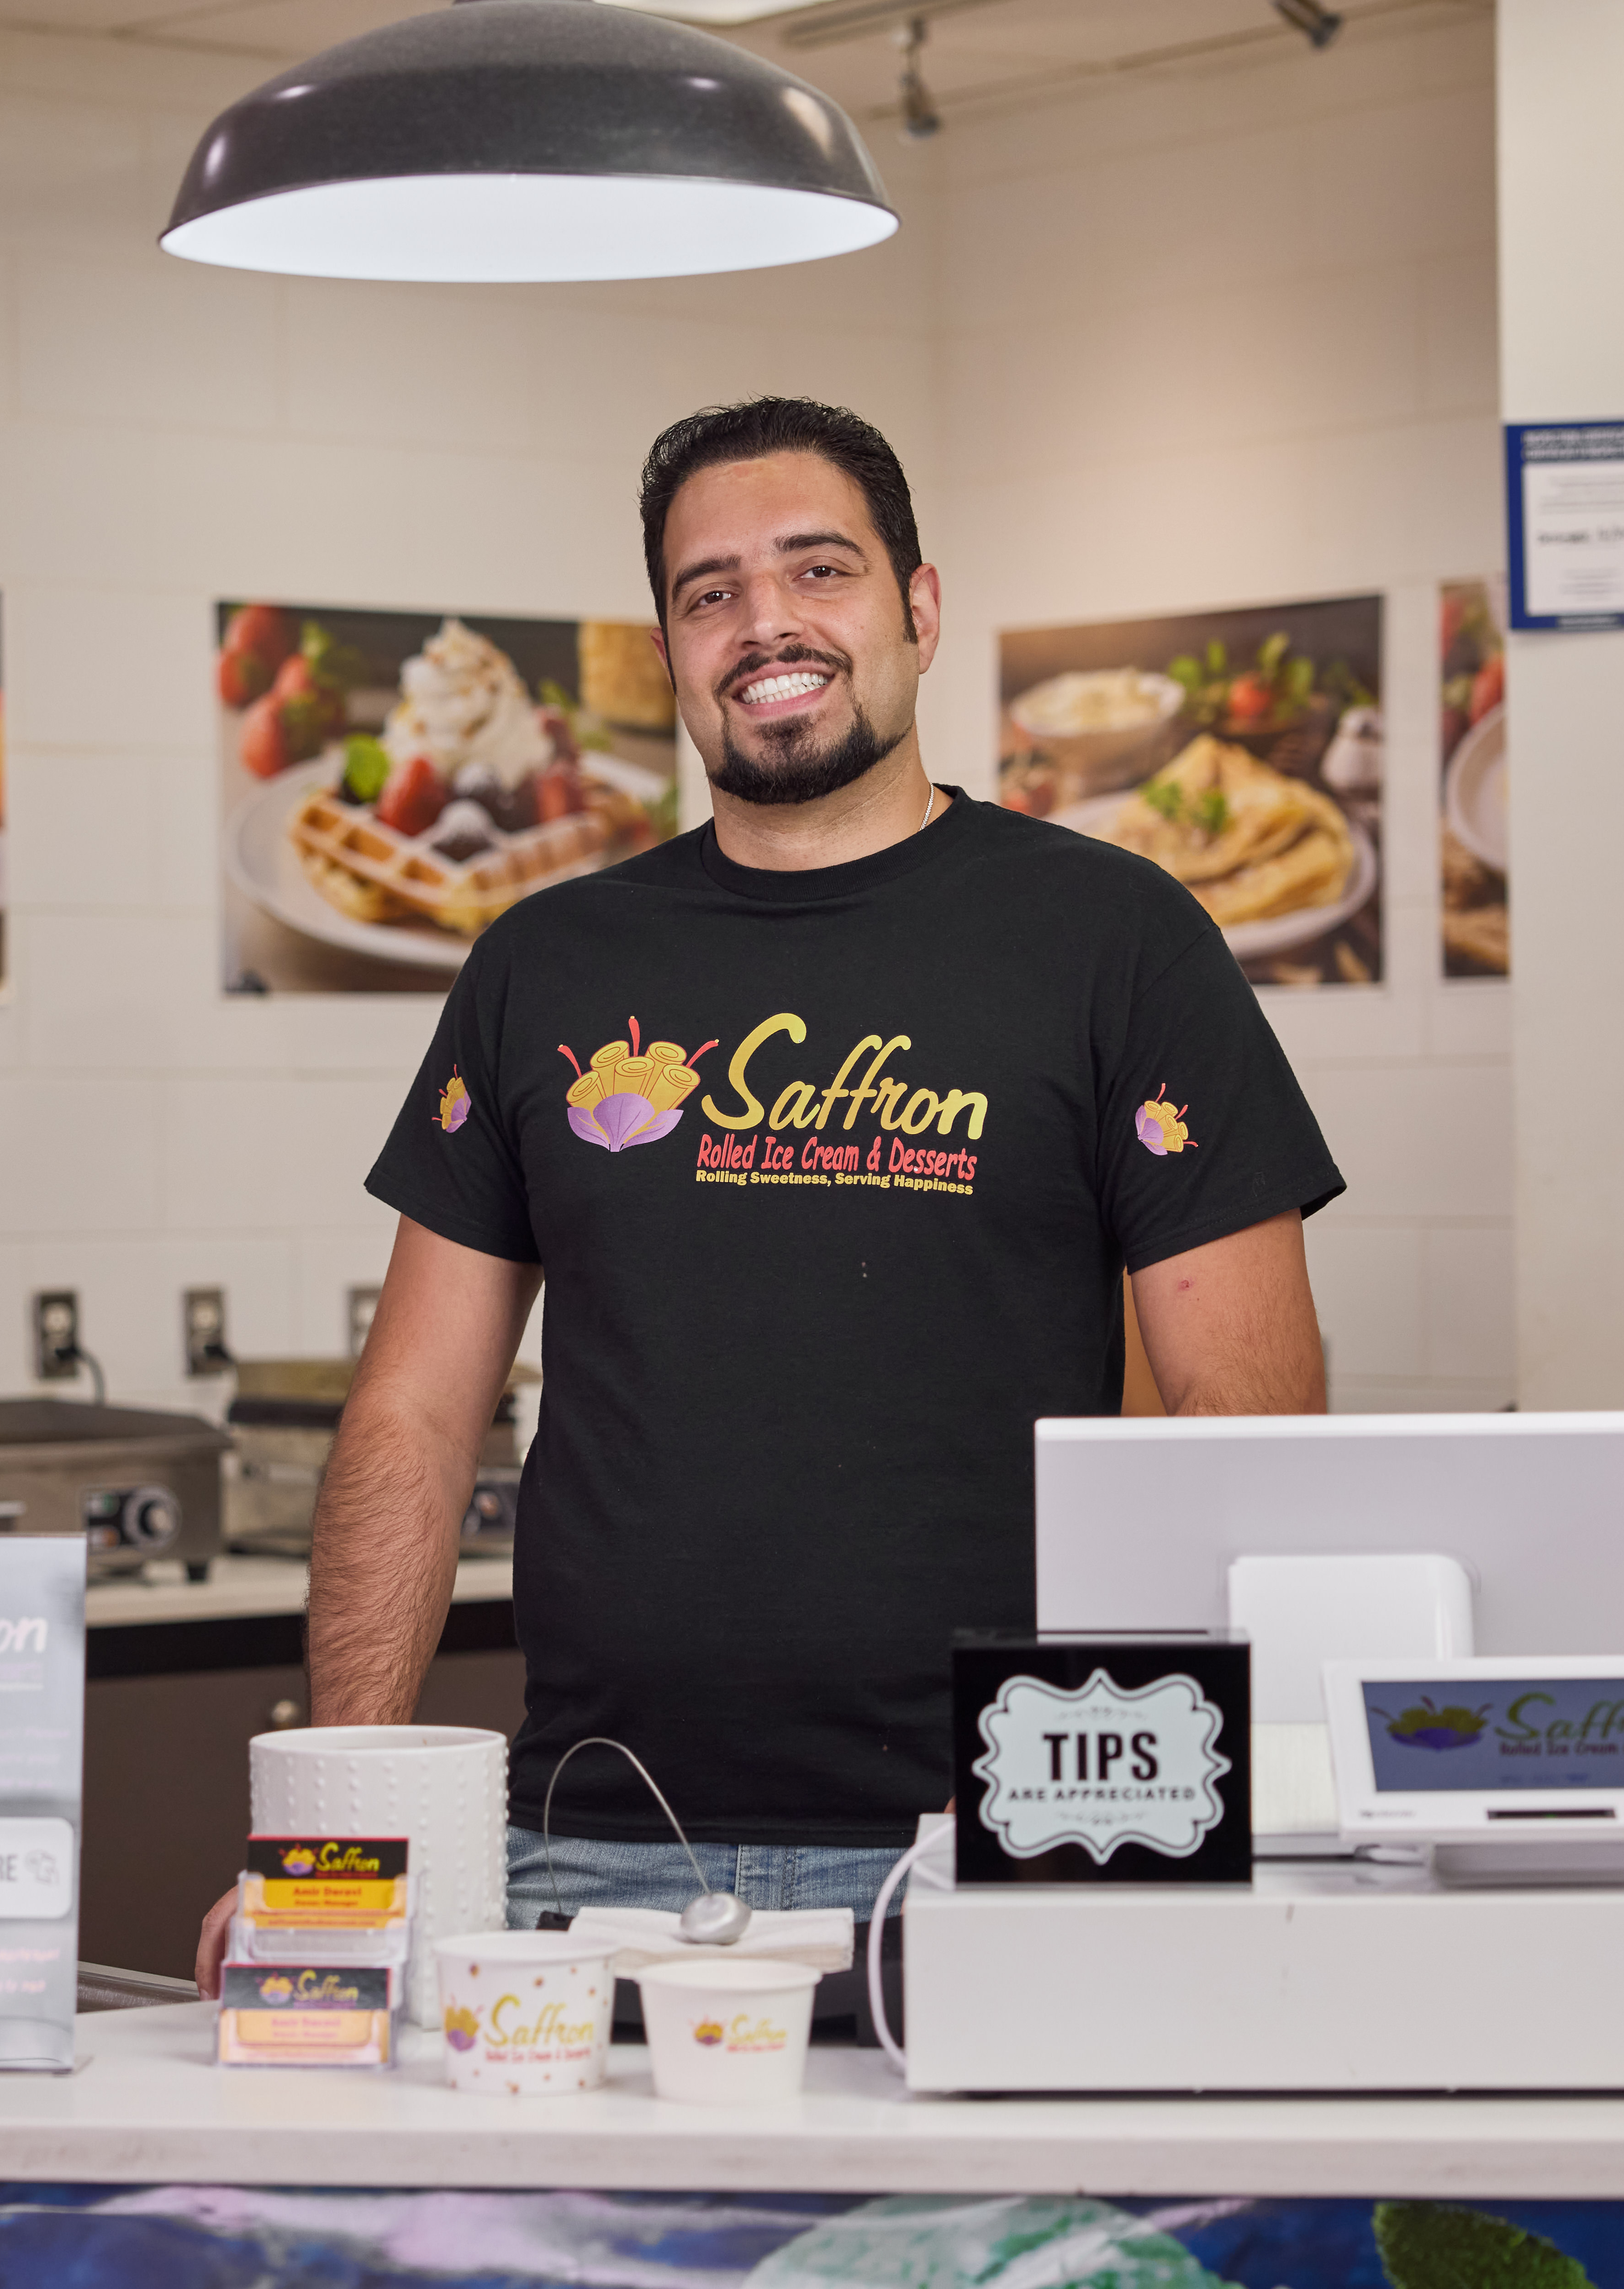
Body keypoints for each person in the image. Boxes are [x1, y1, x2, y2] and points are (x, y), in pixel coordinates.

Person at [198, 398, 1340, 1990]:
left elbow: (1248, 1419)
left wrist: (1081, 1792)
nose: (764, 623)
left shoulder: (1115, 941)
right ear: (668, 643)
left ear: (918, 609)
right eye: (708, 590)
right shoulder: (546, 962)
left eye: (818, 568)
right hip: (584, 1849)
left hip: (994, 1838)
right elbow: (410, 1410)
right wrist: (339, 1824)